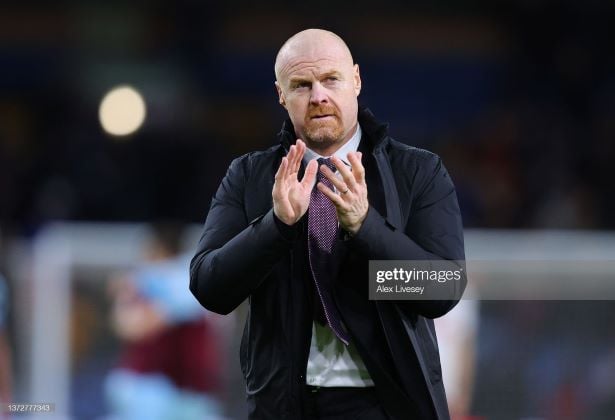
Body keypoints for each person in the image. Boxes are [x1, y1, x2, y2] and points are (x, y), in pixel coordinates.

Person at [190, 28, 466, 419]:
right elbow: (209, 288)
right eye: (301, 85)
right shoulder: (249, 176)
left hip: (388, 406)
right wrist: (277, 227)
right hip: (284, 406)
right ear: (280, 95)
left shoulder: (418, 172)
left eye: (330, 79)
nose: (318, 96)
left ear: (356, 80)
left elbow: (442, 289)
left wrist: (365, 228)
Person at [106, 224, 224, 420]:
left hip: (184, 393)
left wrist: (132, 287)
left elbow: (136, 327)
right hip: (153, 389)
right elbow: (124, 324)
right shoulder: (151, 285)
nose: (145, 261)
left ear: (162, 253)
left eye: (150, 255)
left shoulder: (190, 282)